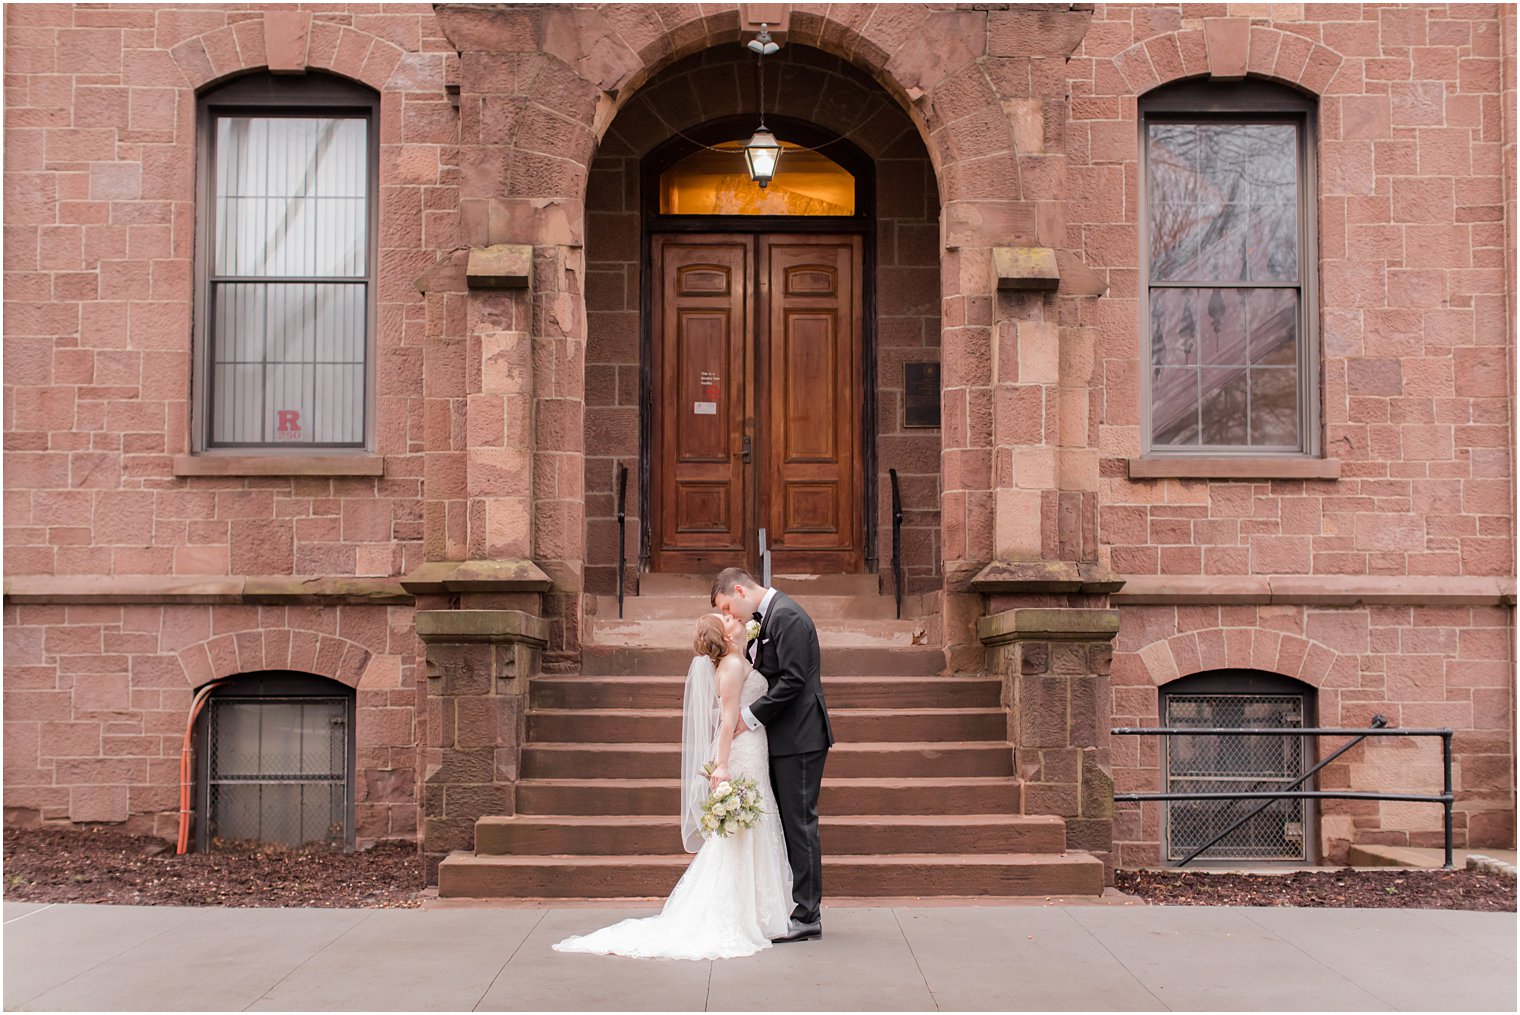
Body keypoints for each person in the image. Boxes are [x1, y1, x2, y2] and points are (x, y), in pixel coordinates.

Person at [552, 612, 792, 960]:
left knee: (755, 824)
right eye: (728, 620)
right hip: (741, 753)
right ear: (726, 639)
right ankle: (744, 912)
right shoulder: (731, 667)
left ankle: (760, 909)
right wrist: (722, 766)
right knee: (743, 830)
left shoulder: (740, 658)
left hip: (754, 747)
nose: (735, 619)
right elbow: (726, 722)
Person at [711, 566, 833, 943]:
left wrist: (748, 717)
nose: (730, 616)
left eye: (728, 607)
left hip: (801, 738)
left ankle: (808, 914)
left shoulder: (788, 616)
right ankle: (795, 907)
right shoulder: (770, 617)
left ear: (739, 590)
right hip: (784, 738)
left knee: (800, 823)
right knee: (789, 823)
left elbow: (795, 680)